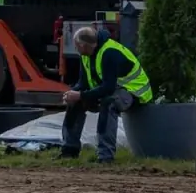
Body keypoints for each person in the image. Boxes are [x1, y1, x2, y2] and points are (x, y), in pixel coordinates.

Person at [60, 26, 152, 162]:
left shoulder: (110, 52)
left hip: (133, 92)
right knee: (75, 103)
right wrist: (72, 94)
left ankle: (105, 156)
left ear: (83, 45)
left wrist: (81, 95)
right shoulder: (85, 54)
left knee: (109, 103)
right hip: (112, 89)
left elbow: (108, 87)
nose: (75, 48)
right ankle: (69, 151)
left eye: (76, 45)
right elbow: (83, 83)